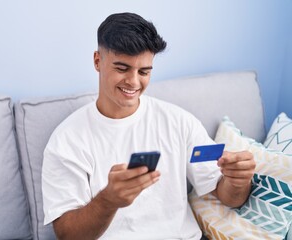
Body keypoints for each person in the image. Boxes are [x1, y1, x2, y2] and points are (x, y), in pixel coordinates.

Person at [42, 12, 256, 240]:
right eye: (122, 69)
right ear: (98, 61)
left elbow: (230, 197)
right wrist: (108, 200)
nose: (134, 82)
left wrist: (238, 181)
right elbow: (67, 235)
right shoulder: (67, 139)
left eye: (144, 72)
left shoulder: (179, 122)